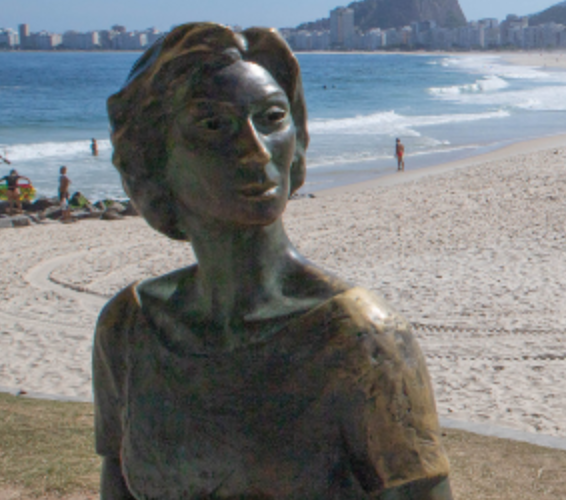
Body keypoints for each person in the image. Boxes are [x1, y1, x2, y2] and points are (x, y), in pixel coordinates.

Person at [98, 23, 450, 500]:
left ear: (298, 138)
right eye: (213, 125)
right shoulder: (129, 327)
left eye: (271, 117)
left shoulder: (361, 339)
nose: (255, 149)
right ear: (154, 157)